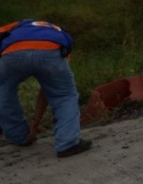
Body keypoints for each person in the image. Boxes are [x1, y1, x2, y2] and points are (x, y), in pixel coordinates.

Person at [0, 19, 92, 158]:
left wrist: (35, 124)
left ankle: (19, 137)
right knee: (64, 96)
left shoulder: (19, 25)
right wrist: (36, 123)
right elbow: (49, 90)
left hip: (12, 53)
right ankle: (67, 144)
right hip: (50, 51)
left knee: (3, 91)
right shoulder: (59, 35)